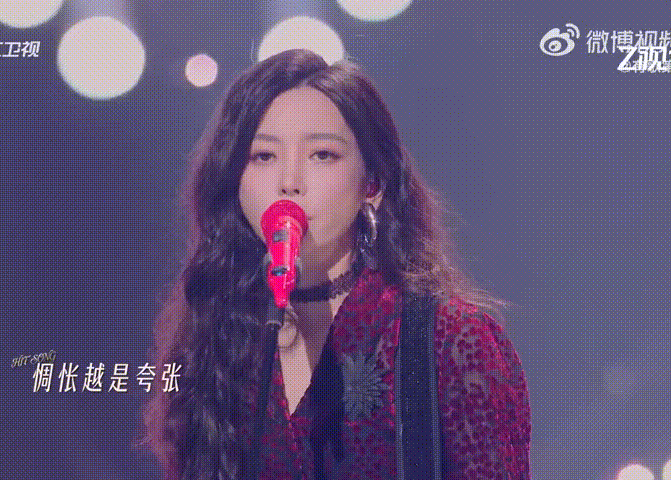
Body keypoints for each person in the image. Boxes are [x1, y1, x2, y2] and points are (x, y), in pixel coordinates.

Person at [133, 49, 531, 480]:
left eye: (322, 155)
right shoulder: (216, 338)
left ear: (372, 183)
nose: (289, 182)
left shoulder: (450, 336)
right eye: (263, 156)